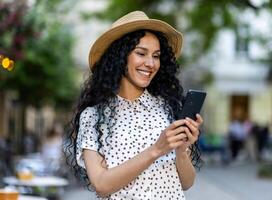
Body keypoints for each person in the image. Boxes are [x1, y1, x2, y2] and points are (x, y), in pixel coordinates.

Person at [65, 11, 203, 200]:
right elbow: (101, 185)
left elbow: (187, 183)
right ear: (120, 57)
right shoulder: (94, 116)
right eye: (141, 53)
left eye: (156, 56)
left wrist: (181, 150)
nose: (150, 63)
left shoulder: (168, 108)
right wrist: (157, 149)